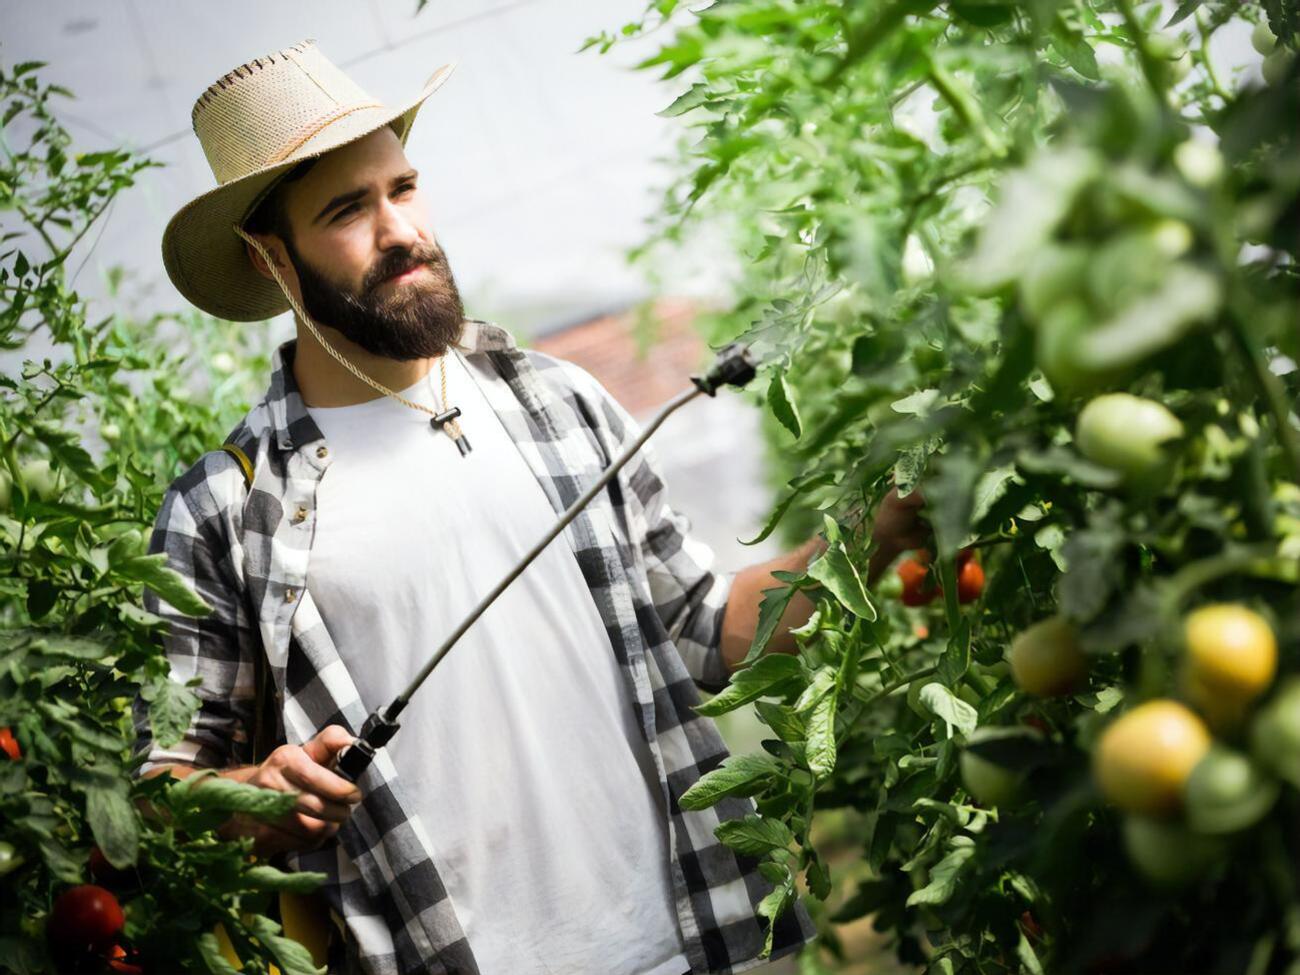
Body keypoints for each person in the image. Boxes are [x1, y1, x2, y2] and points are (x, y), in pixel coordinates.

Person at [134, 39, 927, 975]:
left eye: (403, 187)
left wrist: (875, 535)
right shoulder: (226, 508)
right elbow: (158, 802)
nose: (399, 230)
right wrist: (254, 794)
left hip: (684, 945)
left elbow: (702, 629)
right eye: (349, 209)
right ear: (273, 259)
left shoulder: (555, 399)